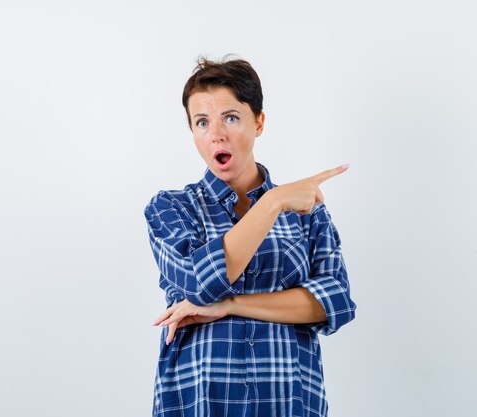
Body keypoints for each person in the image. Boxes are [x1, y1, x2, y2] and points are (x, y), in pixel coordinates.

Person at [143, 57, 357, 417]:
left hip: (288, 402)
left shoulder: (306, 212)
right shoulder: (171, 208)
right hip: (198, 401)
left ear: (258, 122)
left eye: (230, 117)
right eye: (202, 122)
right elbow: (200, 282)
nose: (217, 134)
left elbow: (334, 302)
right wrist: (272, 201)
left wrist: (229, 305)